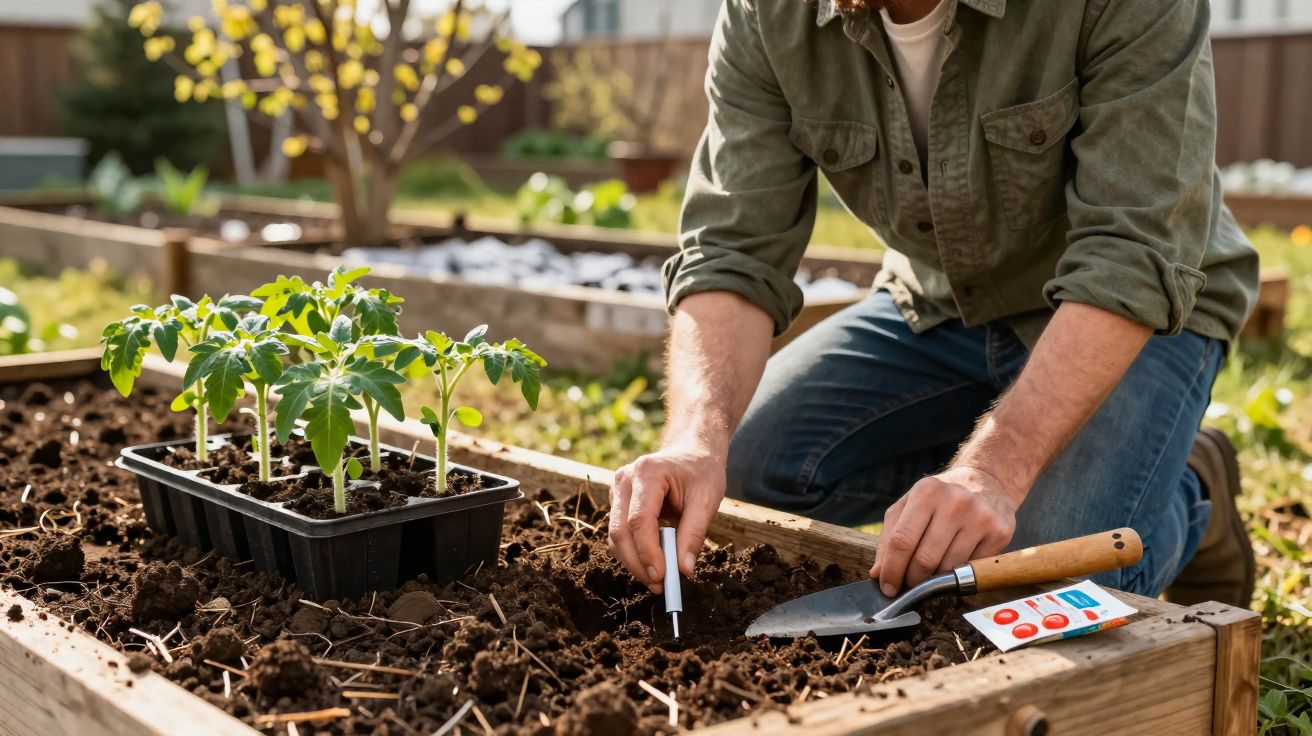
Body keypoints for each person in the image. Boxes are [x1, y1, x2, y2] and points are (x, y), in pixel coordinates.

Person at [605, 0, 1260, 608]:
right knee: (750, 464)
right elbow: (733, 249)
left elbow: (1129, 256)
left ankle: (1193, 485)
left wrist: (996, 471)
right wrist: (695, 440)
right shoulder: (770, 13)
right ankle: (998, 455)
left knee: (1039, 575)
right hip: (943, 301)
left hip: (1136, 314)